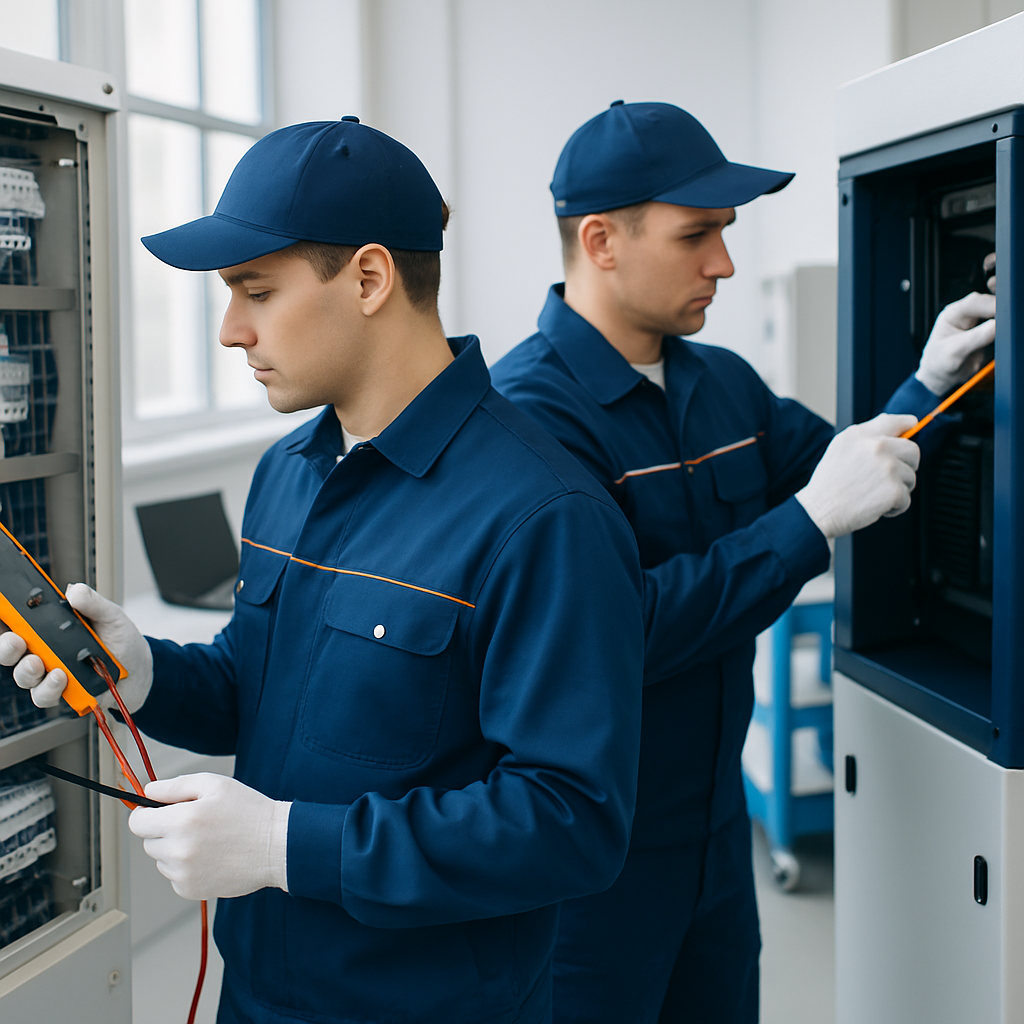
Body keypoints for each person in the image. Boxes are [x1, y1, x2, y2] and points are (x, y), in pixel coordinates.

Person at [1, 119, 646, 1024]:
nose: (231, 331)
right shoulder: (289, 472)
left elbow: (571, 823)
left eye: (255, 291)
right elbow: (261, 685)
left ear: (371, 279)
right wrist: (147, 672)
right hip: (261, 988)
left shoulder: (545, 516)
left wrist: (282, 844)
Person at [490, 100, 997, 1023]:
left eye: (725, 233)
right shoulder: (526, 420)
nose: (723, 262)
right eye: (697, 236)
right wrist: (805, 524)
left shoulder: (719, 382)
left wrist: (930, 382)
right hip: (595, 864)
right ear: (600, 240)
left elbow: (847, 470)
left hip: (716, 836)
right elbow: (616, 632)